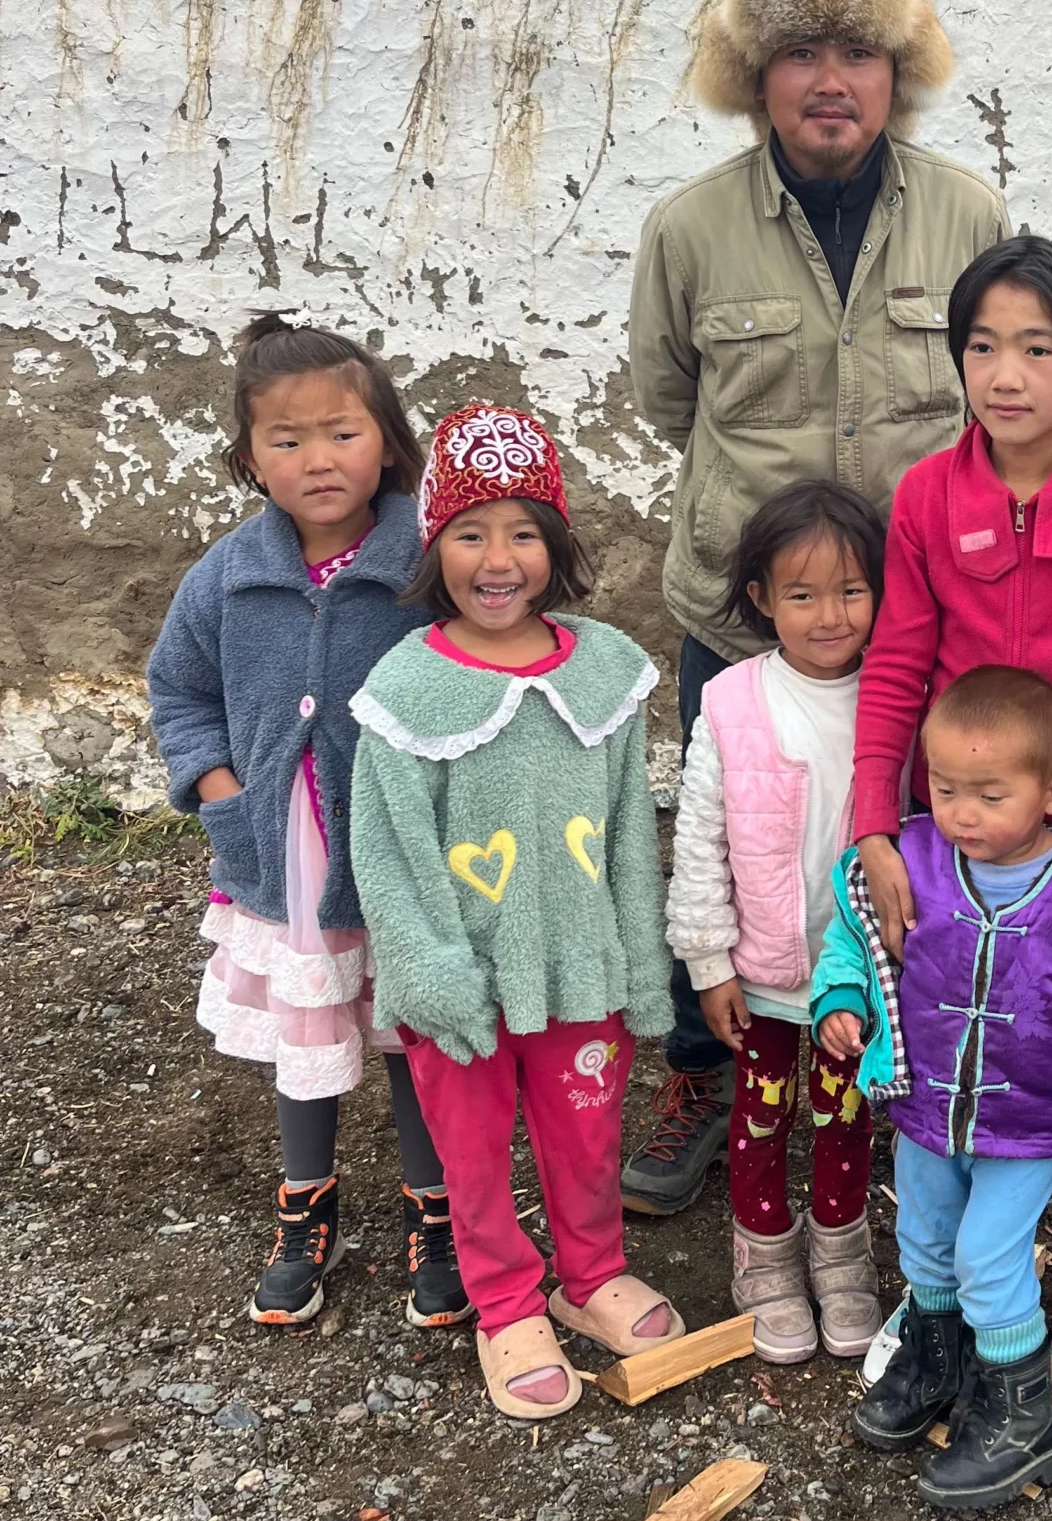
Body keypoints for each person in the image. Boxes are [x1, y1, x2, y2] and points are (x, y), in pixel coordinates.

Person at [625, 0, 1006, 1217]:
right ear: (754, 75)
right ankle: (704, 1069)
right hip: (744, 628)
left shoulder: (969, 214)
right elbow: (670, 398)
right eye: (798, 51)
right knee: (727, 849)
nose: (831, 77)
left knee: (918, 837)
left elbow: (995, 394)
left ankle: (911, 1070)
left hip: (915, 621)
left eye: (861, 49)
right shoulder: (686, 230)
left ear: (901, 70)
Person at [849, 235, 1052, 1376]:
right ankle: (937, 1288)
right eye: (983, 345)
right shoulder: (930, 496)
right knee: (954, 1026)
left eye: (1038, 348)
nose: (1005, 374)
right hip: (958, 835)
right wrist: (874, 829)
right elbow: (895, 666)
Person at [349, 403, 680, 1420]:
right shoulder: (406, 691)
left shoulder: (603, 673)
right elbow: (387, 849)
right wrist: (427, 970)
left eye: (525, 531)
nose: (500, 560)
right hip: (465, 982)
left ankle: (589, 1276)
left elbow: (630, 828)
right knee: (475, 1149)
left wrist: (637, 957)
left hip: (580, 967)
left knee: (586, 1134)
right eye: (470, 532)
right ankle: (504, 1299)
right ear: (433, 544)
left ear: (558, 544)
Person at [146, 314, 465, 1332]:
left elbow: (477, 668)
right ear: (250, 459)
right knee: (310, 1027)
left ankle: (439, 1208)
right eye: (286, 440)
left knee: (413, 1028)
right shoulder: (229, 577)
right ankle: (305, 1203)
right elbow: (179, 691)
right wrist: (221, 795)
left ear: (389, 441)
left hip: (406, 850)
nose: (317, 459)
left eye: (342, 432)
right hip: (289, 849)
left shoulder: (426, 559)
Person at [813, 668, 1052, 1511]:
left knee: (990, 1255)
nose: (963, 814)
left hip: (1026, 1118)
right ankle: (940, 1365)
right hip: (926, 1106)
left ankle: (1025, 1415)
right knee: (927, 1236)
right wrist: (840, 999)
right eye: (945, 789)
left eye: (990, 794)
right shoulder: (909, 858)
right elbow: (856, 940)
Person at [668, 481, 888, 1364]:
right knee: (760, 1115)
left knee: (845, 1116)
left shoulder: (896, 698)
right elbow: (698, 842)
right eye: (801, 595)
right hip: (760, 971)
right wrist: (709, 962)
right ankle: (762, 1253)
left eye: (851, 591)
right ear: (761, 600)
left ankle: (840, 1249)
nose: (829, 616)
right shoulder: (731, 702)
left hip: (857, 973)